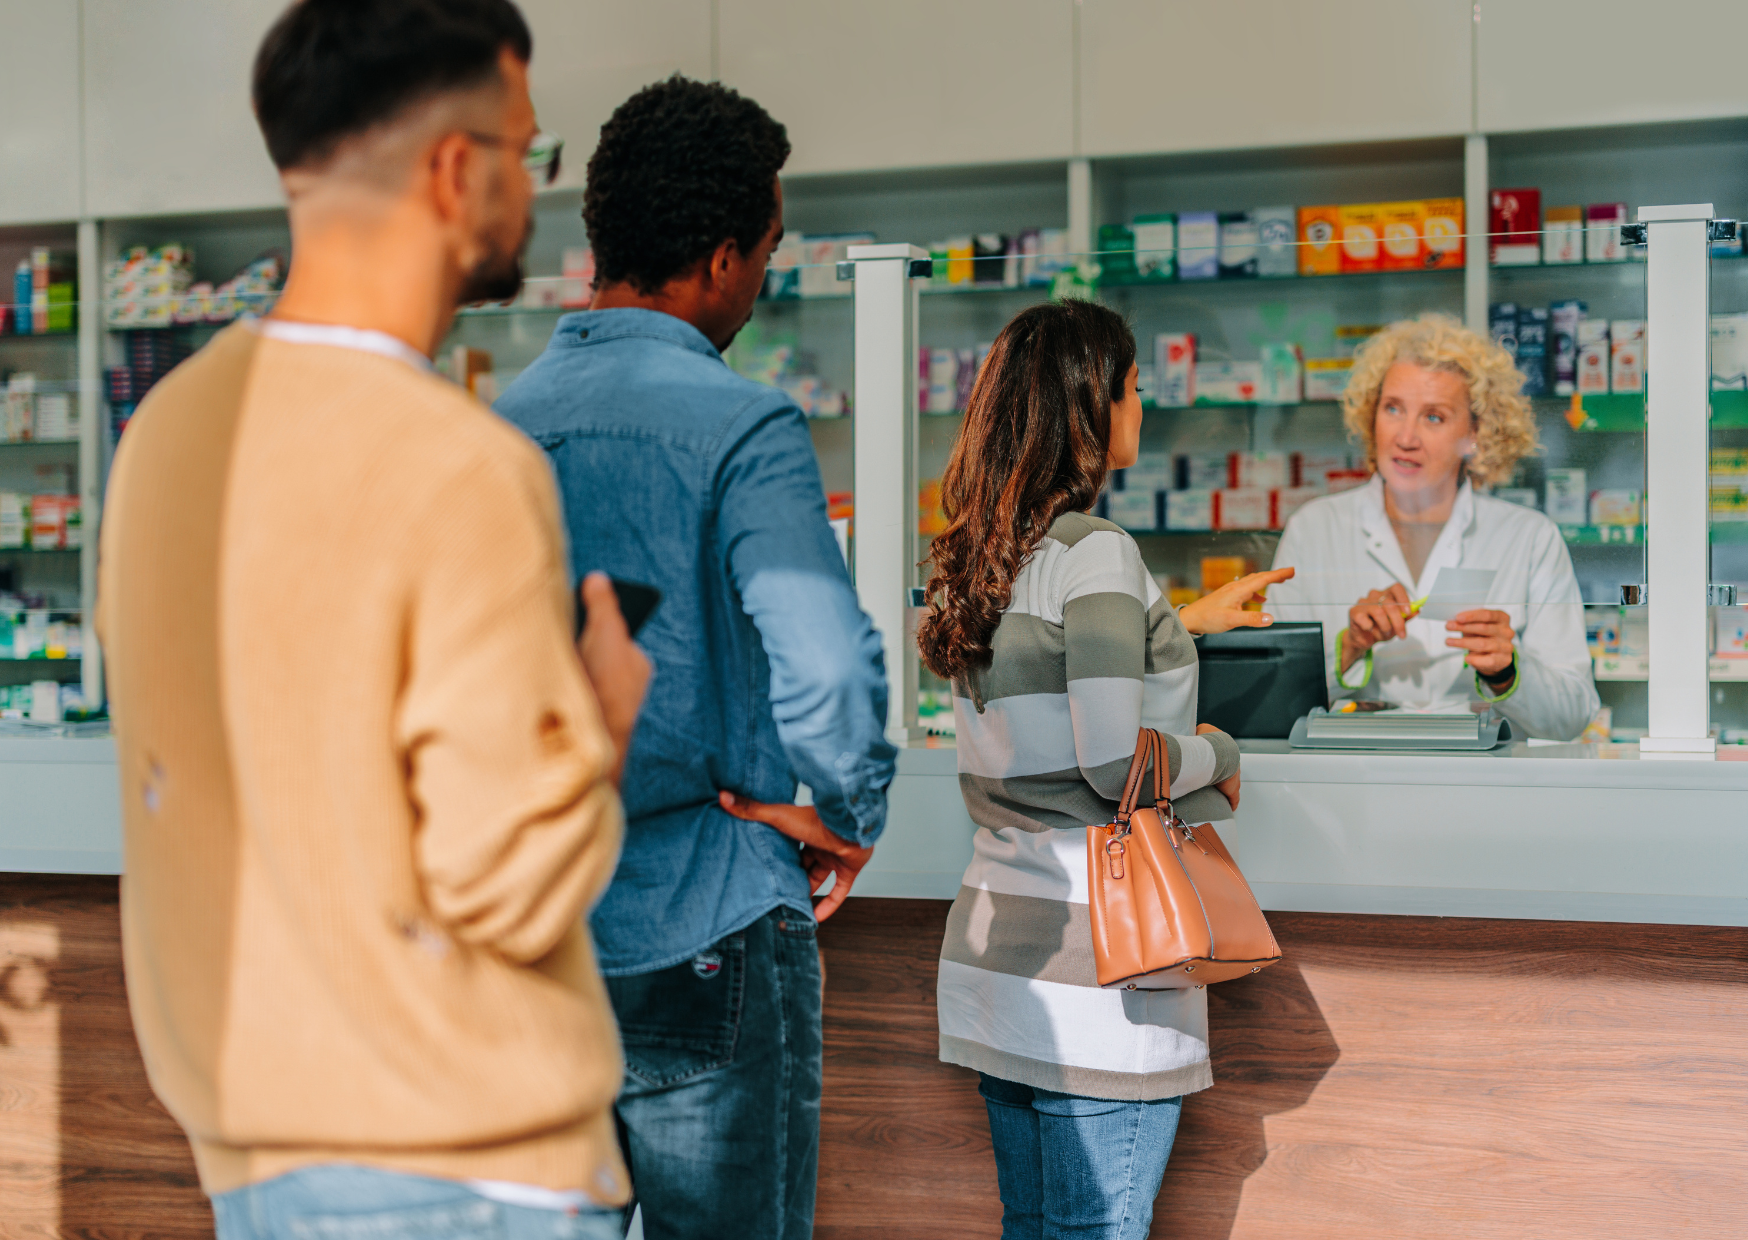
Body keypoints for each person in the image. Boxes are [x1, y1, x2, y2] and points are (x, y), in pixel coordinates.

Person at [95, 3, 648, 1236]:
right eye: (528, 151)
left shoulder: (167, 436)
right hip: (467, 1163)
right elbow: (504, 877)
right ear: (457, 172)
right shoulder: (456, 463)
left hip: (258, 1149)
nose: (533, 190)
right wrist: (596, 721)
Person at [494, 76, 896, 1240]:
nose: (758, 285)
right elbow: (826, 666)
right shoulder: (738, 423)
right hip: (705, 923)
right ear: (722, 260)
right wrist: (843, 810)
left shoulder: (497, 428)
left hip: (538, 936)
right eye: (764, 255)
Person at [918, 300, 1290, 1240]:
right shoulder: (1100, 553)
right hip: (1100, 975)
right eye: (1131, 389)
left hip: (1000, 959)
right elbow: (1113, 759)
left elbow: (1048, 678)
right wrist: (1219, 755)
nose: (1141, 408)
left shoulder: (978, 553)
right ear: (1091, 407)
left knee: (1033, 1226)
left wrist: (1180, 625)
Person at [1267, 314, 1599, 740]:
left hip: (1483, 788)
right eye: (1393, 409)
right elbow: (1271, 707)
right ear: (1371, 415)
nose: (1406, 437)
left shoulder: (1528, 538)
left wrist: (1507, 671)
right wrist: (1349, 646)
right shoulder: (1314, 530)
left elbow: (1572, 716)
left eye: (1434, 418)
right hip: (1351, 787)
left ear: (1475, 434)